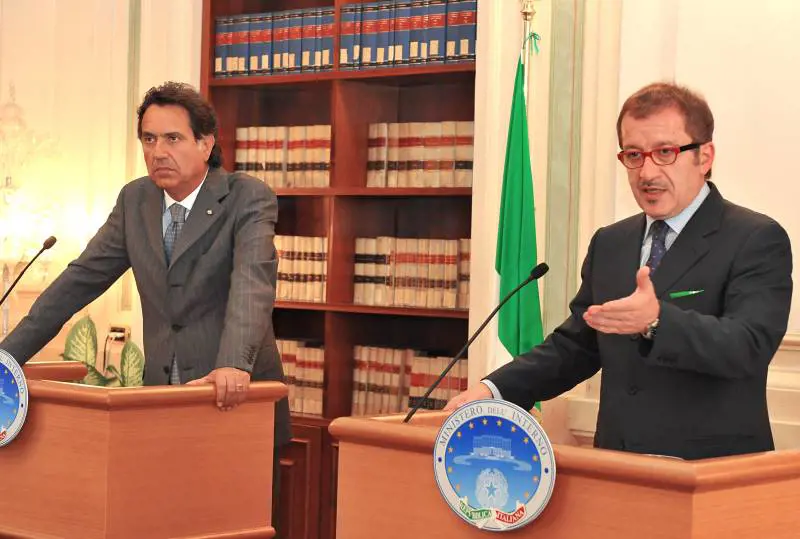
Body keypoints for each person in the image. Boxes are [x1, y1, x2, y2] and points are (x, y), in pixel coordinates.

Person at [446, 81, 793, 460]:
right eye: (634, 155)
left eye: (665, 152)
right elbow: (577, 346)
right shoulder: (611, 242)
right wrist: (495, 389)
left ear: (704, 157)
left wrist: (657, 321)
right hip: (618, 466)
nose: (646, 172)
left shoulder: (755, 238)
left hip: (710, 470)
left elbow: (747, 346)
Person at [0, 81, 290, 523]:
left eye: (172, 138)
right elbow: (78, 281)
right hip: (158, 404)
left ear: (206, 143)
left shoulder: (245, 196)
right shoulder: (135, 200)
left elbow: (252, 283)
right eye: (149, 139)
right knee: (162, 521)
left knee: (233, 524)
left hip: (234, 400)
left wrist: (233, 364)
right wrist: (6, 357)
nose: (158, 152)